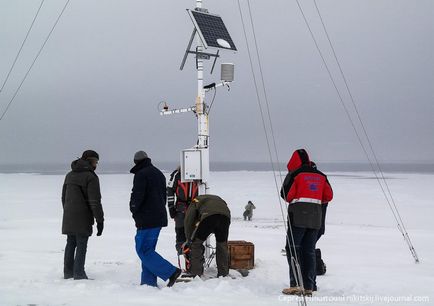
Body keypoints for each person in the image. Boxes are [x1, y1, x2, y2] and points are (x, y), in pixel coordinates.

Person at [280, 149, 333, 296]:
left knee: (293, 248)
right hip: (316, 217)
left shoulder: (295, 174)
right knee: (309, 250)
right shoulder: (321, 175)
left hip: (297, 216)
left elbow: (286, 194)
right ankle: (309, 286)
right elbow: (329, 195)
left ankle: (296, 284)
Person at [129, 151, 181, 287]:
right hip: (158, 217)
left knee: (143, 250)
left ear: (136, 162)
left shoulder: (141, 174)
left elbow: (137, 196)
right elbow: (163, 196)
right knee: (149, 250)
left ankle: (171, 272)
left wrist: (133, 208)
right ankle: (148, 282)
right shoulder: (158, 173)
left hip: (146, 218)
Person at [61, 150, 104, 280]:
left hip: (69, 215)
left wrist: (68, 211)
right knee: (81, 244)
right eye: (96, 161)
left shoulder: (69, 175)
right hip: (83, 217)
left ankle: (68, 272)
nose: (97, 164)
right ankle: (79, 274)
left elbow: (63, 197)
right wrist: (100, 220)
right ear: (91, 161)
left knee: (70, 243)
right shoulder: (90, 177)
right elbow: (94, 201)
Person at [183, 194, 231, 277]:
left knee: (196, 244)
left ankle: (195, 272)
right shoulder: (217, 199)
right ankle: (223, 273)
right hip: (225, 218)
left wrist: (189, 239)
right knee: (222, 245)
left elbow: (188, 220)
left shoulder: (195, 201)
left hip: (208, 216)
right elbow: (224, 212)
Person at [167, 166, 199, 255]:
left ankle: (195, 256)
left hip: (195, 206)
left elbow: (204, 188)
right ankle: (182, 252)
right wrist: (171, 207)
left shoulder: (199, 173)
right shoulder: (177, 174)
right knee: (180, 231)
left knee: (194, 233)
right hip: (181, 207)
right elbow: (170, 190)